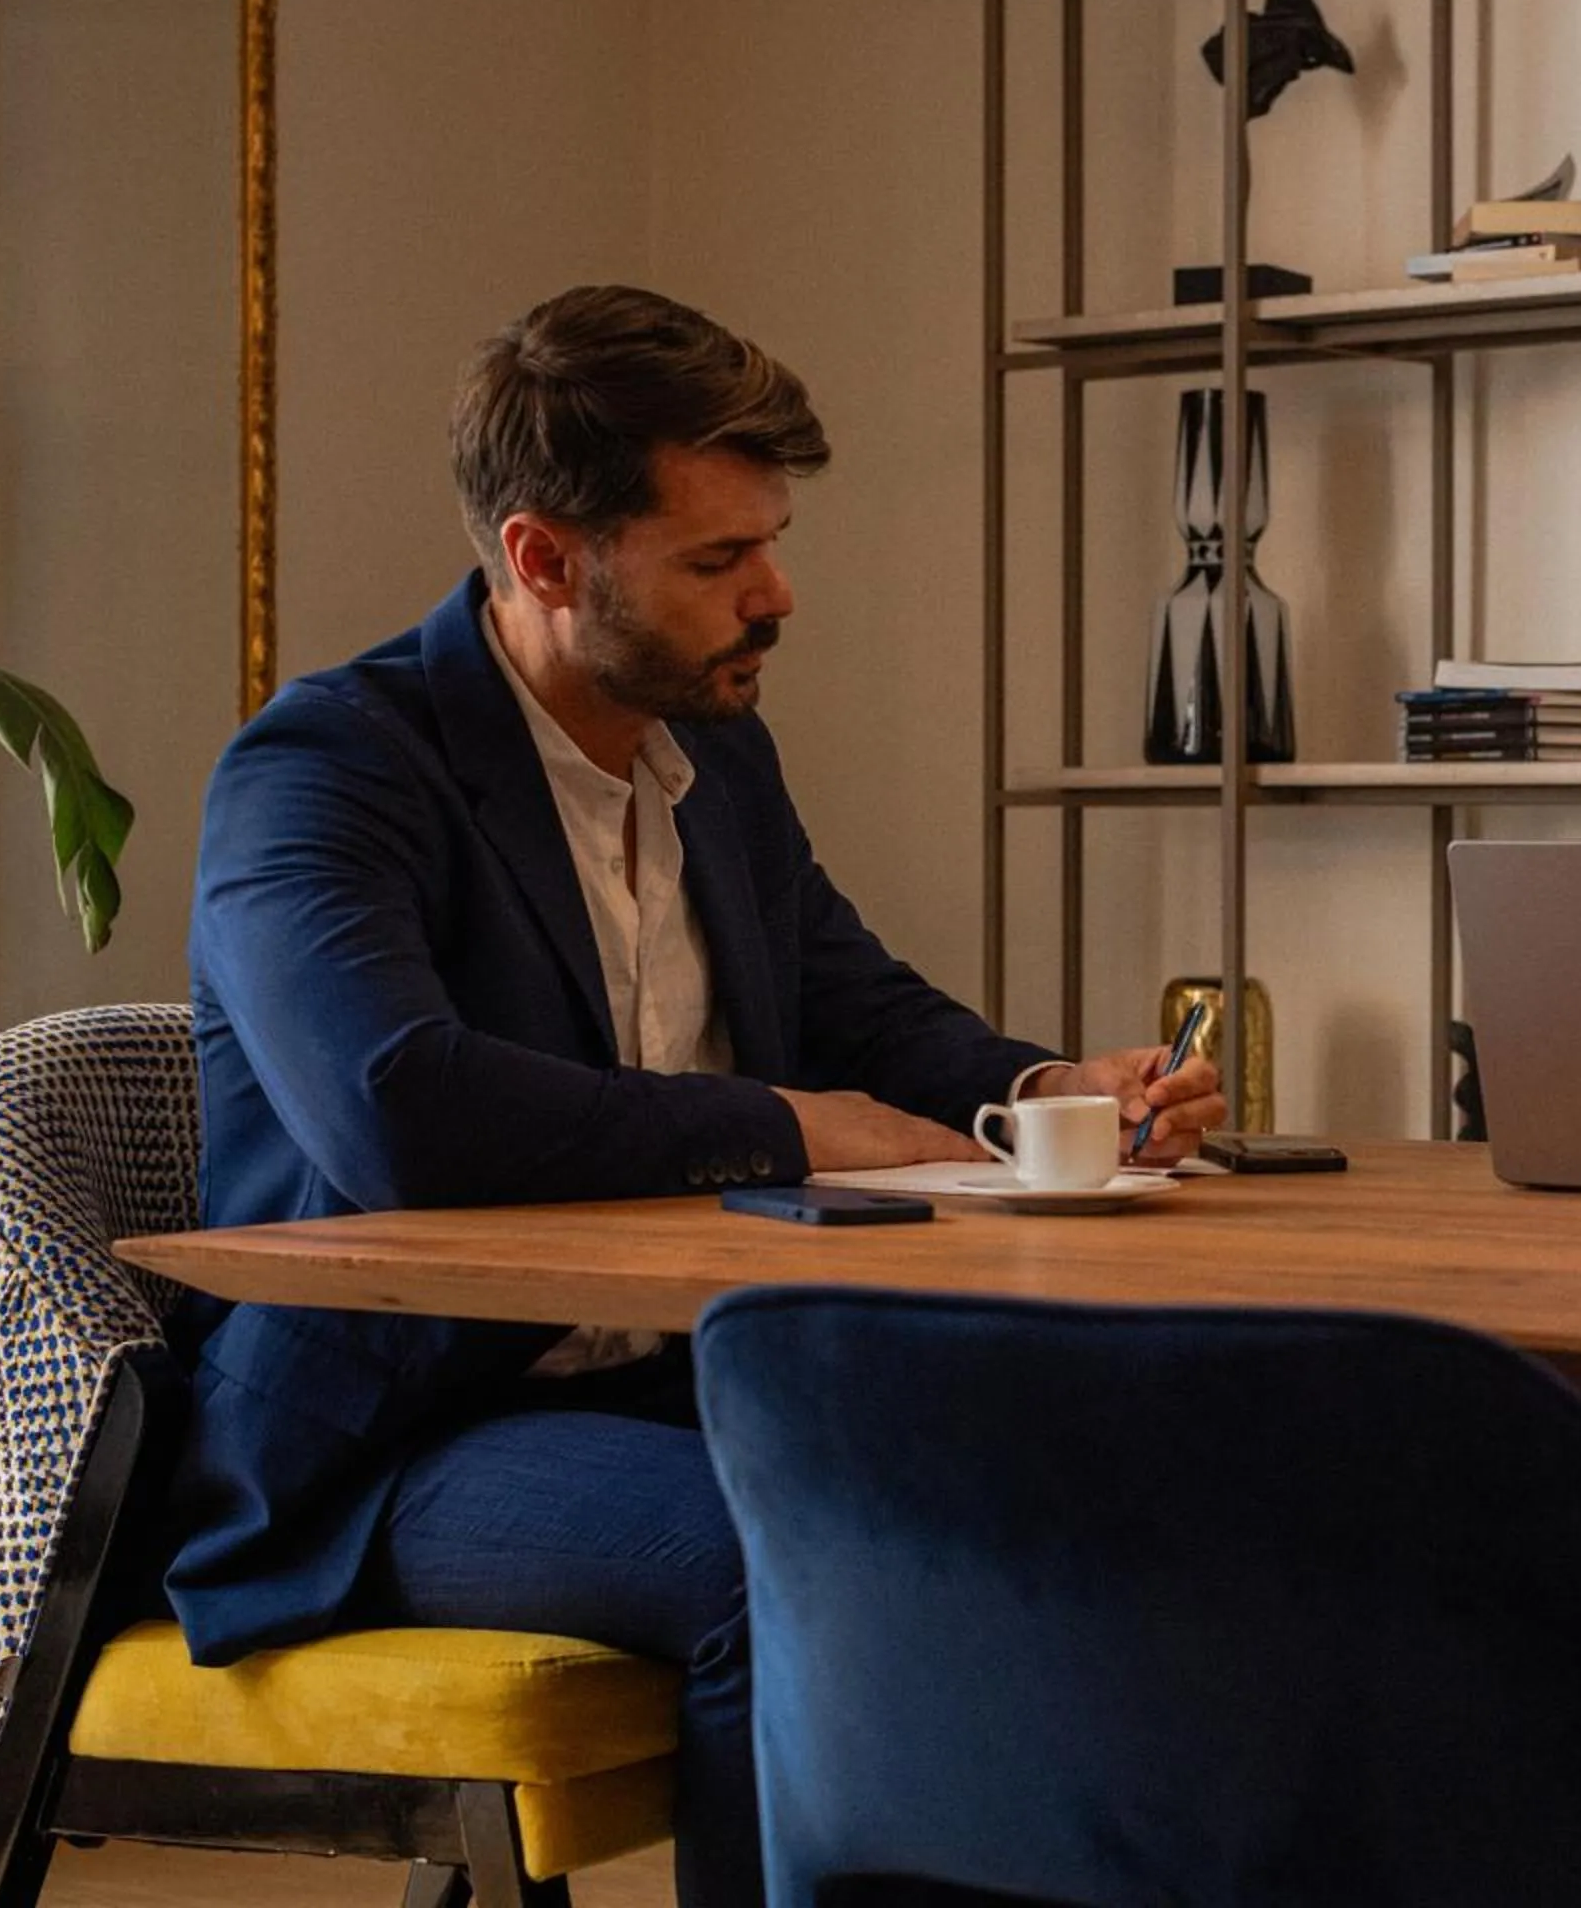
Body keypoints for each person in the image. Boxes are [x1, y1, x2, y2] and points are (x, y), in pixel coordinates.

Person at [163, 285, 1225, 1908]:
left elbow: (852, 1004)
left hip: (687, 1376)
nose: (775, 594)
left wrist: (1046, 1083)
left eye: (772, 542)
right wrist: (791, 1127)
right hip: (408, 1431)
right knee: (795, 1556)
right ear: (544, 558)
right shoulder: (326, 768)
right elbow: (398, 1110)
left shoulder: (714, 749)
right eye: (717, 561)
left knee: (1097, 1485)